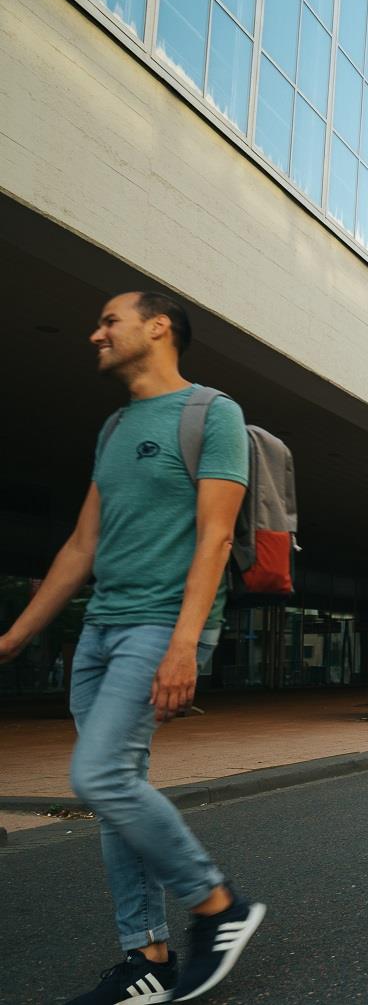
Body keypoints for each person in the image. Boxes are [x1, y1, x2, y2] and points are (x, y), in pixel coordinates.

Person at [0, 292, 266, 1003]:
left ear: (158, 327)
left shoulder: (213, 414)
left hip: (160, 623)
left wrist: (184, 644)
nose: (95, 333)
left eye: (108, 320)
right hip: (102, 627)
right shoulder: (115, 426)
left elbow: (214, 535)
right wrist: (14, 635)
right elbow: (81, 544)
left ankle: (218, 905)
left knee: (98, 775)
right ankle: (145, 955)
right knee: (116, 789)